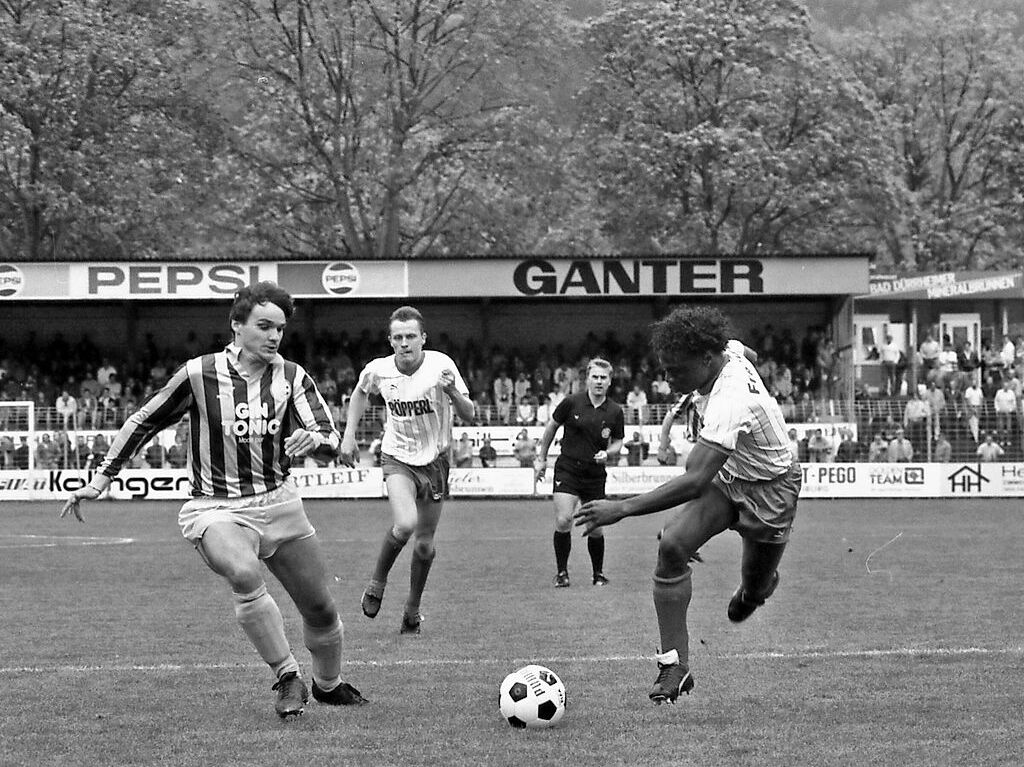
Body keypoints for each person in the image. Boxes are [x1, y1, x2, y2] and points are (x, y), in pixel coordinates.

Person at [59, 281, 366, 718]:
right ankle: (287, 675)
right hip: (216, 507)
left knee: (320, 609)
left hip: (279, 503)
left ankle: (329, 685)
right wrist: (102, 477)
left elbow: (330, 439)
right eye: (263, 326)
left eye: (280, 328)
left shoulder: (293, 376)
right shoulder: (199, 374)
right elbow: (144, 420)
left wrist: (311, 440)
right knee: (243, 570)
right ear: (237, 326)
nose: (274, 336)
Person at [571, 306, 801, 705]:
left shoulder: (731, 401)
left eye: (676, 370)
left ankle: (758, 588)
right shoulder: (724, 349)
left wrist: (621, 508)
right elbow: (749, 355)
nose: (668, 379)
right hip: (729, 478)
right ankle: (675, 666)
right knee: (673, 544)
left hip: (771, 489)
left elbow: (694, 481)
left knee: (750, 593)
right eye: (665, 369)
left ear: (707, 361)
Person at [340, 306, 474, 635]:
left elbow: (469, 413)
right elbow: (360, 392)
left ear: (423, 339)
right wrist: (348, 434)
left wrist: (452, 391)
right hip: (397, 456)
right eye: (398, 337)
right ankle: (376, 584)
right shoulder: (379, 370)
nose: (404, 343)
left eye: (411, 336)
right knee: (405, 524)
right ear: (390, 340)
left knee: (425, 545)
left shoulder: (442, 365)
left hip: (436, 461)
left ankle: (412, 611)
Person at [535, 358, 625, 588]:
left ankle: (598, 574)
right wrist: (541, 459)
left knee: (594, 527)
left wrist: (609, 453)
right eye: (595, 376)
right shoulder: (571, 403)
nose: (598, 381)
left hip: (595, 475)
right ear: (587, 379)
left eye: (603, 377)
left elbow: (618, 441)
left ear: (609, 381)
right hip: (568, 469)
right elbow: (551, 428)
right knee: (564, 519)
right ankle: (562, 572)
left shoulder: (615, 411)